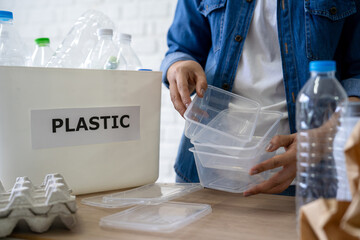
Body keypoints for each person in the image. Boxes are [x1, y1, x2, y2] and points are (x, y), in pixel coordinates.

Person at [160, 0, 360, 196]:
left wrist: (321, 139)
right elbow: (181, 48)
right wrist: (179, 65)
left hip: (307, 179)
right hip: (204, 175)